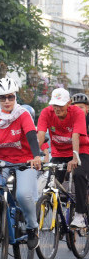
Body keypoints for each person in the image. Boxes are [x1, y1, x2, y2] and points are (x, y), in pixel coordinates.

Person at [0, 78, 42, 249]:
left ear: (15, 97)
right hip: (1, 160)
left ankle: (32, 227)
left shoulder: (23, 114)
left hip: (25, 160)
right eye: (2, 98)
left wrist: (36, 156)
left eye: (10, 97)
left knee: (23, 194)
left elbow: (31, 136)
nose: (7, 101)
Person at [37, 88, 89, 228]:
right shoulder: (46, 112)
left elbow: (75, 136)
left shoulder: (77, 113)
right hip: (59, 153)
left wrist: (75, 158)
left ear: (69, 103)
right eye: (55, 104)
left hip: (80, 150)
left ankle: (79, 214)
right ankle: (51, 209)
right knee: (52, 182)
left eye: (61, 105)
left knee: (78, 175)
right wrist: (34, 155)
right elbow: (41, 135)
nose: (57, 108)